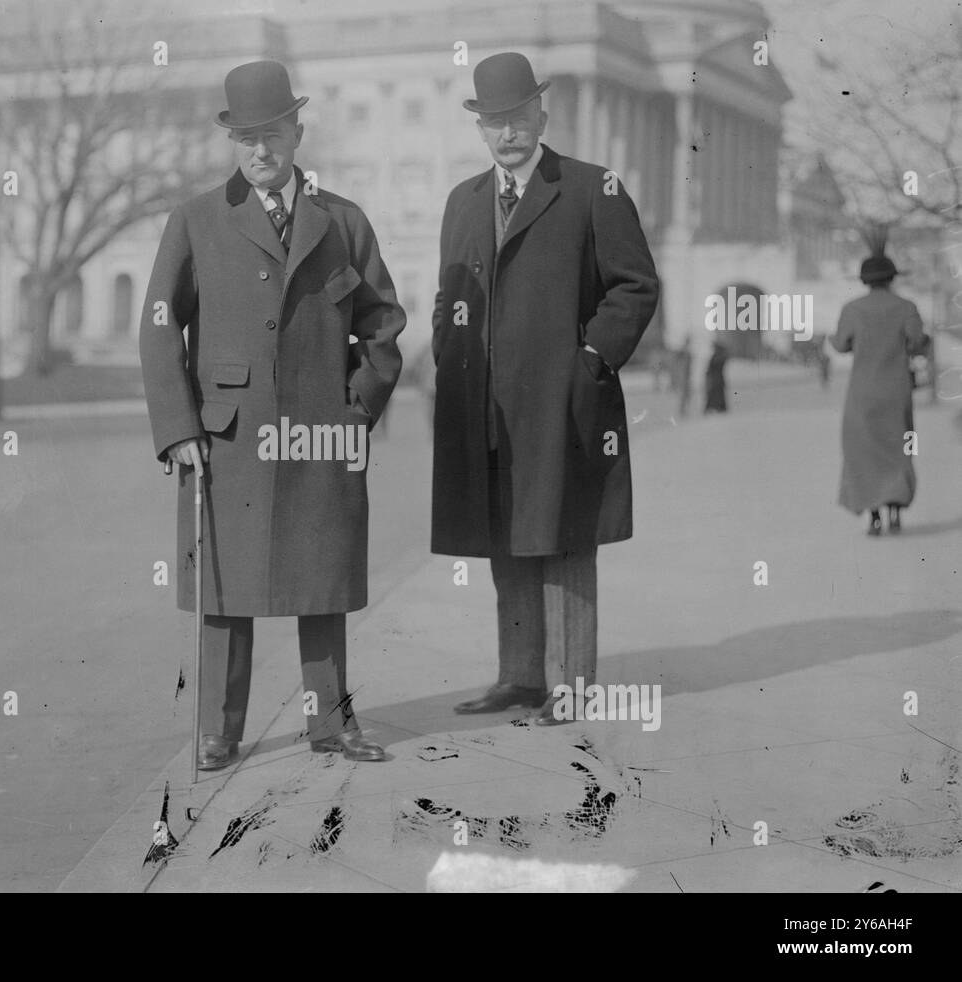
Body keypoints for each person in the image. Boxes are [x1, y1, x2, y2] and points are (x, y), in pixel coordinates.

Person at [139, 60, 406, 769]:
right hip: (227, 440)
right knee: (226, 589)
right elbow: (161, 325)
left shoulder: (343, 221)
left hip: (321, 435)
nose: (263, 150)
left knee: (323, 583)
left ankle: (333, 725)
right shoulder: (195, 221)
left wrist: (355, 412)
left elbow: (382, 327)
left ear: (298, 131)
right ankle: (218, 730)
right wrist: (179, 430)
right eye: (248, 137)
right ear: (233, 141)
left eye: (276, 133)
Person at [429, 53, 659, 721]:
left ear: (542, 115)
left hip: (564, 405)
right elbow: (452, 296)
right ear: (481, 129)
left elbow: (636, 286)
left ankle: (572, 686)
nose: (509, 133)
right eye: (495, 122)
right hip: (487, 411)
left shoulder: (594, 187)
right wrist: (451, 348)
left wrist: (589, 357)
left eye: (519, 118)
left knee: (564, 540)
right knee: (508, 541)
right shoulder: (464, 201)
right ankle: (521, 676)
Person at [830, 234, 925, 535]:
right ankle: (895, 511)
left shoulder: (852, 309)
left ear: (864, 280)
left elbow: (841, 344)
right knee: (899, 448)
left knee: (862, 450)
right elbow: (917, 342)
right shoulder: (907, 307)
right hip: (896, 391)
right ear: (892, 278)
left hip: (862, 393)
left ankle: (873, 515)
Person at [704, 340, 729, 413]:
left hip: (716, 380)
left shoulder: (719, 357)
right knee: (714, 394)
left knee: (717, 394)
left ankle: (719, 408)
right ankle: (714, 407)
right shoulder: (716, 356)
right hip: (715, 380)